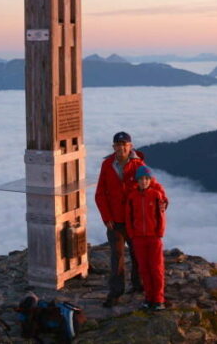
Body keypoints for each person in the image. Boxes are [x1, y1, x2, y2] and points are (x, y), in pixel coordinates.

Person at [95, 131, 146, 307]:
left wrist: (161, 202)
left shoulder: (139, 165)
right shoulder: (107, 165)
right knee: (117, 257)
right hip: (114, 221)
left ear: (130, 146)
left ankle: (138, 284)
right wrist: (106, 217)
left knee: (137, 253)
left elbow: (149, 189)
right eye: (118, 145)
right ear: (113, 147)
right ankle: (116, 292)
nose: (121, 147)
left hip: (133, 220)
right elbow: (100, 193)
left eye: (124, 144)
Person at [125, 165, 168, 310]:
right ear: (137, 180)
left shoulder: (156, 195)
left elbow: (161, 216)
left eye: (146, 179)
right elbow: (128, 217)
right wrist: (132, 234)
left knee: (156, 269)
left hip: (154, 237)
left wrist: (159, 233)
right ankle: (148, 298)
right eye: (141, 179)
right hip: (138, 238)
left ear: (150, 180)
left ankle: (158, 299)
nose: (143, 181)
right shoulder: (132, 197)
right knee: (144, 269)